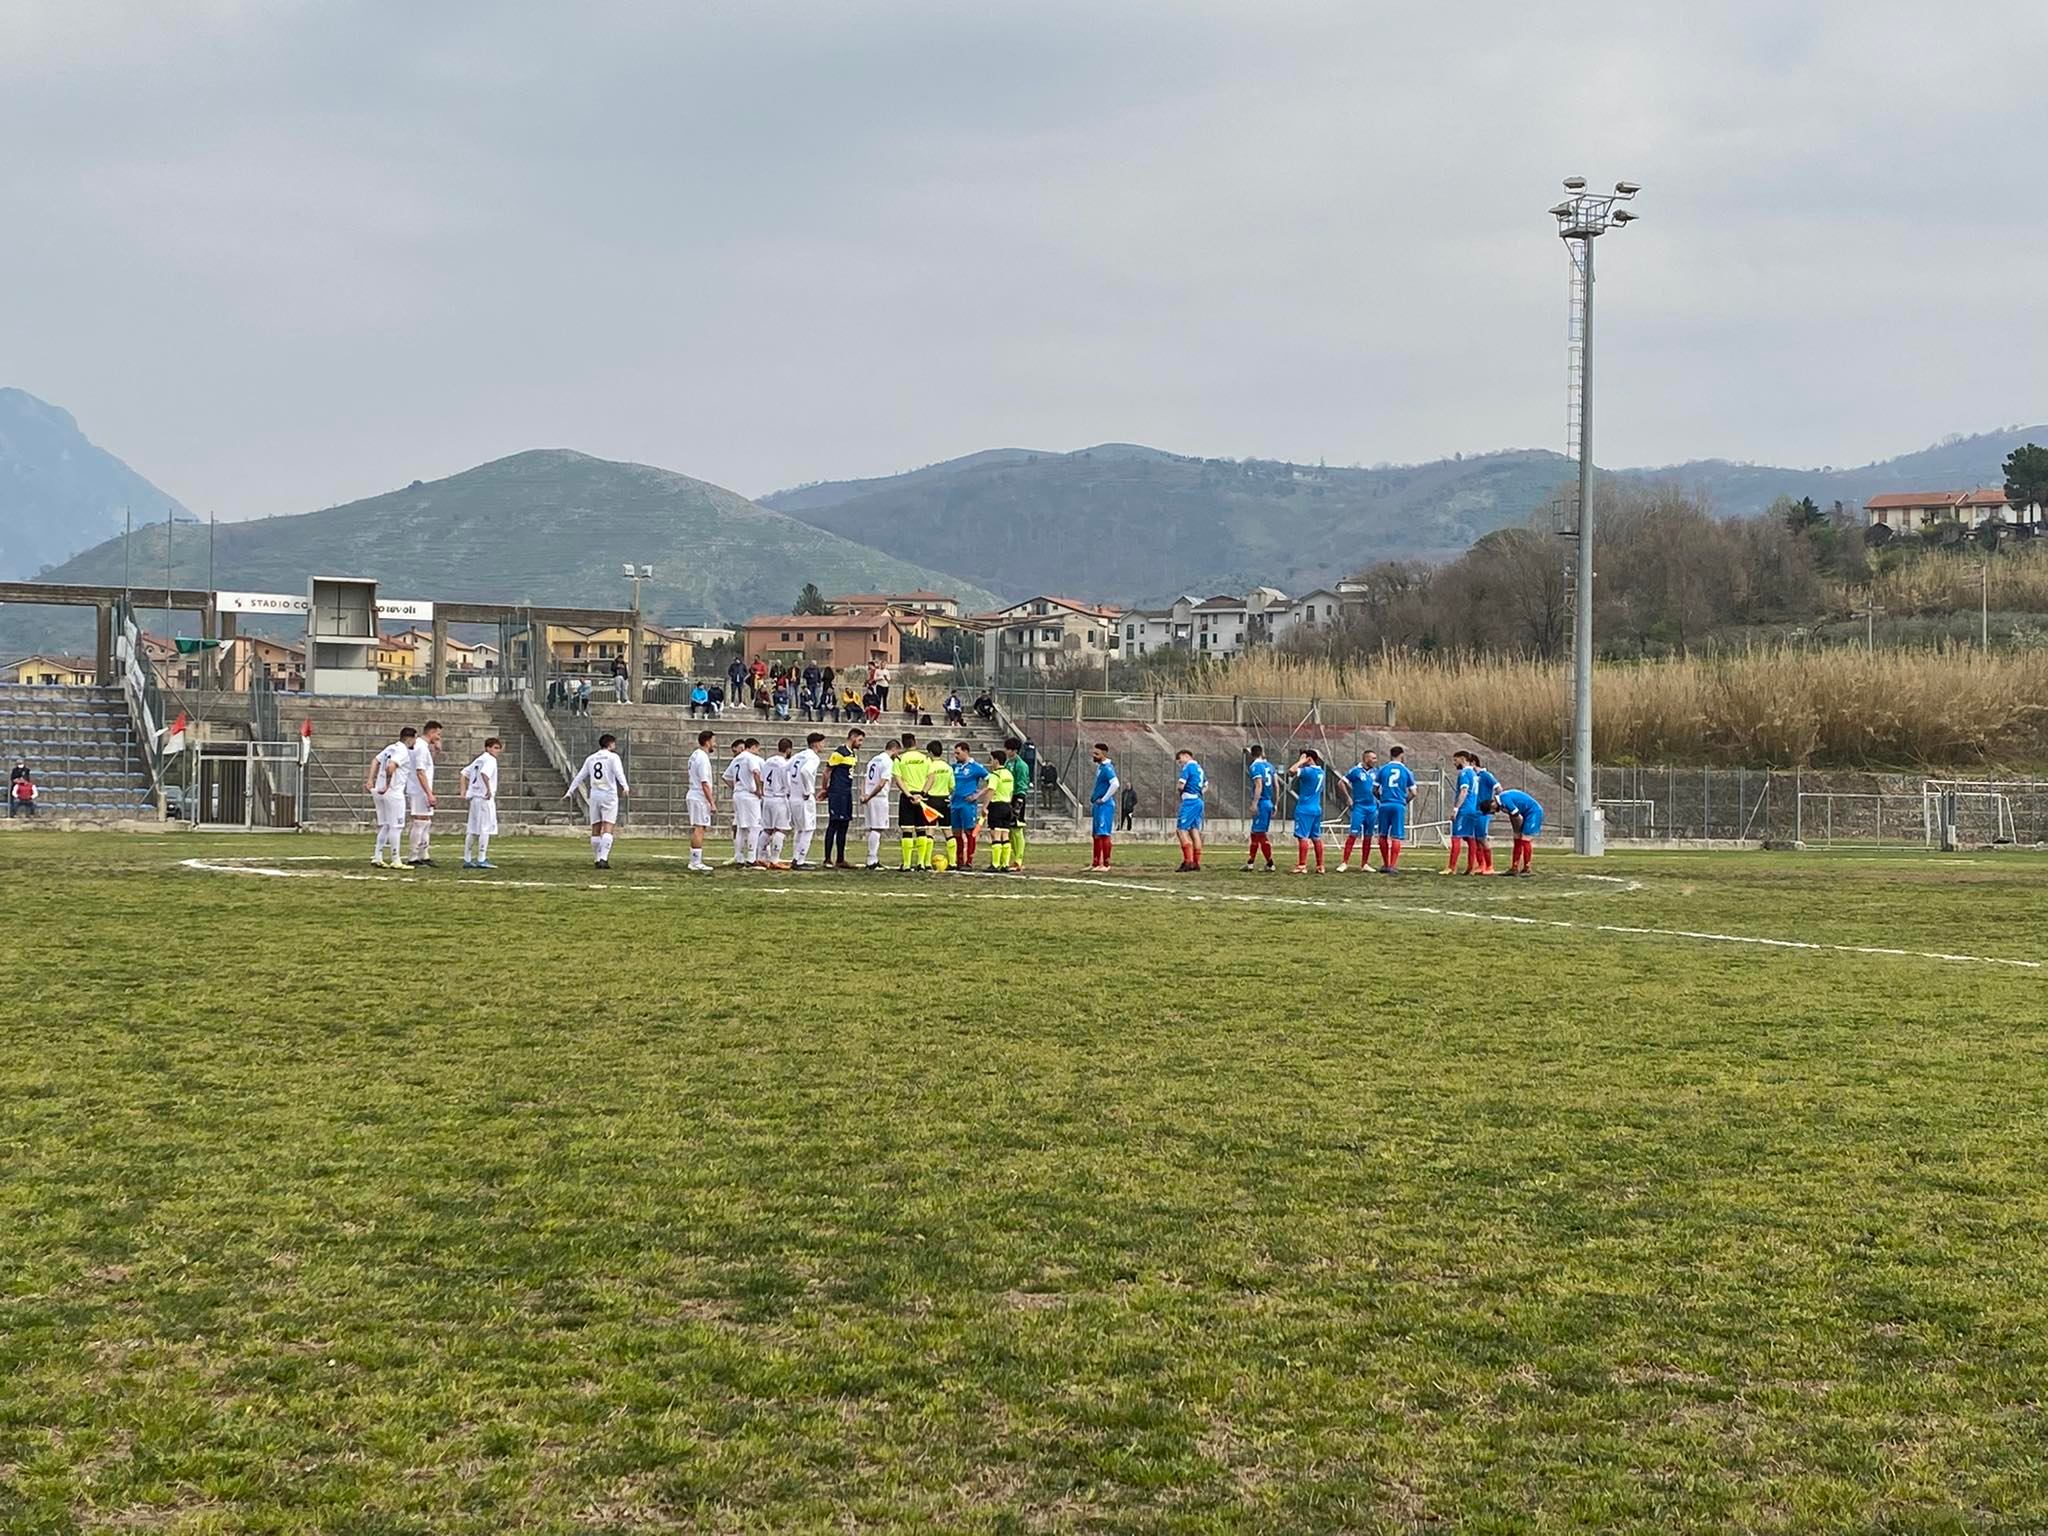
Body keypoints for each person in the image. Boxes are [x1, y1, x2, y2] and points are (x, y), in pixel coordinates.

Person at [565, 731, 630, 868]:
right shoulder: (613, 757)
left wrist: (570, 791)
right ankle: (603, 859)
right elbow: (619, 773)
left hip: (594, 795)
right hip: (609, 795)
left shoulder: (591, 758)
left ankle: (596, 859)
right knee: (608, 826)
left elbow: (580, 776)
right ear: (610, 744)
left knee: (595, 827)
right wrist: (625, 786)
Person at [365, 726, 415, 867]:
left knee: (385, 825)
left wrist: (370, 780)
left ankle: (377, 856)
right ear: (410, 739)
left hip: (379, 791)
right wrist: (387, 784)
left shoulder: (391, 747)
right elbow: (391, 766)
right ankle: (395, 859)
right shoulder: (402, 751)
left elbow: (375, 760)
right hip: (393, 792)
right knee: (396, 826)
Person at [893, 731, 936, 870]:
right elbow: (931, 778)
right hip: (922, 796)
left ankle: (906, 864)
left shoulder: (899, 759)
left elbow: (898, 779)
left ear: (903, 744)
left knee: (907, 829)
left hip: (908, 796)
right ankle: (921, 863)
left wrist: (908, 795)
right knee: (921, 829)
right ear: (915, 742)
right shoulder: (926, 758)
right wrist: (922, 793)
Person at [1372, 745, 1416, 874]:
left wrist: (1381, 799)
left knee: (1383, 835)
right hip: (1398, 805)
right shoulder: (1406, 771)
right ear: (1401, 755)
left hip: (1384, 804)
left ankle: (1385, 864)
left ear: (1390, 755)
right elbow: (1414, 792)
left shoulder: (1383, 769)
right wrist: (1404, 801)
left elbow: (1374, 790)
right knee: (1396, 836)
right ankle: (1392, 865)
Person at [823, 728, 863, 868]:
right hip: (837, 792)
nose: (861, 743)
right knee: (833, 824)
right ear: (852, 737)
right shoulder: (839, 752)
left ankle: (840, 859)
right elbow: (827, 771)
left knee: (844, 824)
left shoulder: (852, 754)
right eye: (859, 740)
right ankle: (827, 858)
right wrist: (825, 789)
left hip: (846, 792)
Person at [460, 738, 502, 869]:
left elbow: (463, 773)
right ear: (488, 748)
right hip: (484, 798)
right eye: (495, 748)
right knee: (485, 829)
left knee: (472, 829)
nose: (497, 751)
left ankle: (467, 858)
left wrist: (464, 791)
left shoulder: (479, 759)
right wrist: (489, 790)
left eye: (498, 748)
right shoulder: (490, 760)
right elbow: (485, 774)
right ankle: (481, 858)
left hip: (474, 799)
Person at [724, 736, 766, 866]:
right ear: (753, 747)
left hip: (738, 794)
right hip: (749, 795)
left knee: (741, 827)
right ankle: (752, 858)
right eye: (757, 749)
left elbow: (726, 776)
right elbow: (756, 772)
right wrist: (759, 789)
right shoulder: (750, 757)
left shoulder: (737, 759)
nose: (758, 752)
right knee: (755, 826)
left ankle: (739, 857)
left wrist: (736, 787)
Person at [406, 720, 442, 867]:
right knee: (420, 822)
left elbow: (425, 767)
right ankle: (413, 856)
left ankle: (424, 854)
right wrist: (429, 793)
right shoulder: (420, 747)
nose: (439, 737)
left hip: (421, 789)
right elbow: (420, 771)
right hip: (419, 790)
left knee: (426, 822)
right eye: (438, 734)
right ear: (431, 732)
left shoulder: (423, 747)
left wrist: (435, 751)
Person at [860, 736, 900, 869]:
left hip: (869, 795)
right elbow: (882, 783)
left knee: (874, 827)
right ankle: (872, 859)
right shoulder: (887, 762)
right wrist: (870, 795)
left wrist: (864, 794)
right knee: (877, 828)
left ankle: (873, 858)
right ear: (894, 749)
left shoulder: (874, 759)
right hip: (878, 797)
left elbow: (864, 778)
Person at [1339, 749, 1380, 873]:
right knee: (1353, 834)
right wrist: (1348, 798)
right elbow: (1341, 782)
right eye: (1373, 758)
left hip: (1372, 808)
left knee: (1368, 836)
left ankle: (1364, 863)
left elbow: (1378, 788)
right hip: (1359, 807)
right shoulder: (1355, 771)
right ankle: (1344, 862)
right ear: (1366, 759)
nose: (1375, 760)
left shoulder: (1376, 772)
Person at [949, 742, 988, 869]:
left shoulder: (976, 767)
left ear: (966, 751)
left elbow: (992, 781)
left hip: (967, 805)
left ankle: (969, 861)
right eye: (955, 753)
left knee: (969, 832)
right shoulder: (954, 767)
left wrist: (978, 794)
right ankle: (959, 861)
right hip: (955, 804)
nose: (956, 756)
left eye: (958, 753)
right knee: (956, 833)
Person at [1290, 748, 1327, 875]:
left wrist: (1301, 761)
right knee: (1316, 837)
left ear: (1309, 759)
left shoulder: (1307, 771)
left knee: (1303, 837)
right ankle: (1320, 865)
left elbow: (1291, 771)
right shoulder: (1321, 772)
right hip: (1316, 808)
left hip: (1305, 808)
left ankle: (1302, 865)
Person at [685, 728, 717, 872]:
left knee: (699, 827)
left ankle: (695, 860)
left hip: (694, 792)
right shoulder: (702, 758)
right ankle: (695, 861)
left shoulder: (694, 755)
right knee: (700, 828)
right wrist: (712, 802)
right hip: (699, 795)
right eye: (713, 741)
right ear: (707, 741)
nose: (714, 744)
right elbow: (704, 782)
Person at [760, 739, 795, 869]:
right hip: (779, 798)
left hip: (767, 797)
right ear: (788, 750)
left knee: (767, 829)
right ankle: (774, 860)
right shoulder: (785, 764)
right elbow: (787, 783)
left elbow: (762, 779)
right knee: (780, 829)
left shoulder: (768, 761)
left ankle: (760, 857)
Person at [790, 731, 824, 868]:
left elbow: (786, 769)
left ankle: (795, 857)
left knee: (799, 829)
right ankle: (800, 860)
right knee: (808, 829)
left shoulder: (798, 755)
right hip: (804, 798)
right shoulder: (813, 758)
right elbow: (805, 771)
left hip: (794, 796)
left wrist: (790, 787)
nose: (823, 745)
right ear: (816, 743)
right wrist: (807, 790)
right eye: (822, 743)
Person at [1443, 750, 1479, 876]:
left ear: (1463, 759)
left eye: (1455, 760)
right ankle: (1471, 867)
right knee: (1470, 838)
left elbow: (1464, 791)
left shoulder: (1464, 773)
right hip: (1473, 808)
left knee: (1456, 837)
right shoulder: (1474, 774)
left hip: (1464, 809)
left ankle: (1452, 867)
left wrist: (1456, 808)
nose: (1454, 763)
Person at [1496, 786, 1544, 876]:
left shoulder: (1504, 800)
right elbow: (1512, 816)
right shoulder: (1502, 802)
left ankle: (1527, 868)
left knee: (1525, 839)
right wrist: (1516, 831)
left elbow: (1517, 816)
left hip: (1533, 812)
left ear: (1492, 804)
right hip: (1525, 814)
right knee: (1517, 839)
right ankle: (1514, 867)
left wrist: (1519, 829)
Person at [1244, 743, 1277, 872]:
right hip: (1268, 802)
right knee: (1255, 833)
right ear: (1262, 753)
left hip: (1262, 803)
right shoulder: (1270, 766)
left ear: (1252, 754)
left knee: (1260, 834)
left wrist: (1254, 803)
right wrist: (1275, 803)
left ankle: (1270, 863)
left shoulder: (1255, 766)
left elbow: (1259, 785)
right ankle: (1250, 862)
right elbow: (1276, 785)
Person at [1003, 734, 1033, 870]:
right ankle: (1013, 858)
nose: (1006, 752)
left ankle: (1018, 860)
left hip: (1017, 797)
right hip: (1007, 797)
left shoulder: (1021, 765)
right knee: (1009, 829)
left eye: (1008, 749)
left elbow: (1022, 784)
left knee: (1017, 828)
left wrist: (1019, 801)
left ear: (1014, 750)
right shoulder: (1008, 763)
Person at [1174, 749, 1206, 872]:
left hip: (1190, 801)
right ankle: (1196, 863)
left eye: (1180, 760)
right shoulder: (1199, 768)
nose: (1180, 763)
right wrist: (1198, 792)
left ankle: (1188, 861)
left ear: (1186, 756)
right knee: (1194, 831)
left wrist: (1182, 793)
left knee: (1181, 830)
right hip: (1198, 800)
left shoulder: (1188, 767)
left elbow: (1181, 785)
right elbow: (1206, 785)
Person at [1088, 743, 1119, 869]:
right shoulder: (1100, 767)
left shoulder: (1108, 768)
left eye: (1097, 753)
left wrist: (1105, 798)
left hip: (1105, 806)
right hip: (1098, 805)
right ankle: (1095, 863)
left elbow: (1115, 784)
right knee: (1096, 834)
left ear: (1104, 754)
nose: (1094, 755)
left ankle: (1106, 864)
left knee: (1104, 833)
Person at [984, 748, 1016, 869]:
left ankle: (995, 863)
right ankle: (1005, 864)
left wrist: (985, 807)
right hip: (1007, 805)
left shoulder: (995, 775)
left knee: (995, 835)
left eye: (991, 760)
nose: (990, 762)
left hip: (996, 806)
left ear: (996, 761)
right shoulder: (1009, 774)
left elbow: (991, 791)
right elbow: (1011, 791)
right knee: (1005, 835)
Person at [1471, 755, 1501, 875]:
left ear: (1473, 763)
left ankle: (1489, 866)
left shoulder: (1486, 775)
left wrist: (1492, 805)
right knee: (1476, 839)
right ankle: (1481, 864)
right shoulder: (1473, 776)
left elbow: (1499, 789)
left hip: (1483, 812)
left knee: (1482, 839)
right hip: (1474, 812)